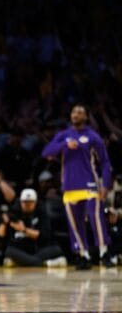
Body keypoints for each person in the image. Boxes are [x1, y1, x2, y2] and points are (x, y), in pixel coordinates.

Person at [42, 104, 114, 269]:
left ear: (86, 117)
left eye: (80, 112)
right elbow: (46, 152)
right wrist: (64, 145)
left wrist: (105, 184)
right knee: (75, 224)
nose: (76, 114)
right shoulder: (64, 135)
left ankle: (104, 252)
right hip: (69, 186)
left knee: (96, 219)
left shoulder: (93, 137)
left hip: (90, 185)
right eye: (74, 111)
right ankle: (83, 255)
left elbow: (105, 162)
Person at [0, 188, 66, 267]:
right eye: (25, 202)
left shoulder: (42, 213)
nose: (27, 205)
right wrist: (4, 223)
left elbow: (42, 236)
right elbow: (0, 235)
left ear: (35, 202)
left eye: (30, 202)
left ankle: (23, 262)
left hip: (38, 249)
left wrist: (24, 229)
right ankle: (46, 263)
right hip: (20, 249)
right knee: (9, 251)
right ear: (20, 202)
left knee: (57, 250)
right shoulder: (14, 213)